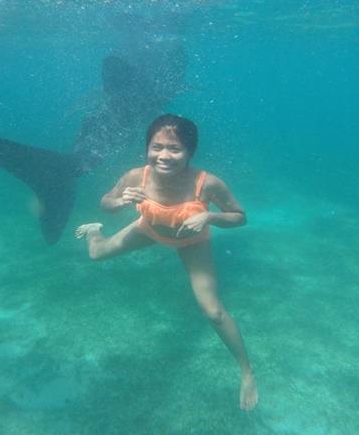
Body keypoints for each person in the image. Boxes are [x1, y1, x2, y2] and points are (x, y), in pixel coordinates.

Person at [76, 114, 258, 411]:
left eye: (175, 149)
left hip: (192, 242)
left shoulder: (207, 183)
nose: (164, 155)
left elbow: (240, 217)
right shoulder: (136, 176)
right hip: (148, 228)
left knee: (212, 311)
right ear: (147, 147)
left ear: (190, 152)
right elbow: (105, 202)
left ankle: (247, 371)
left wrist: (209, 216)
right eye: (156, 147)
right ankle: (93, 232)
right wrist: (120, 201)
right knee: (96, 254)